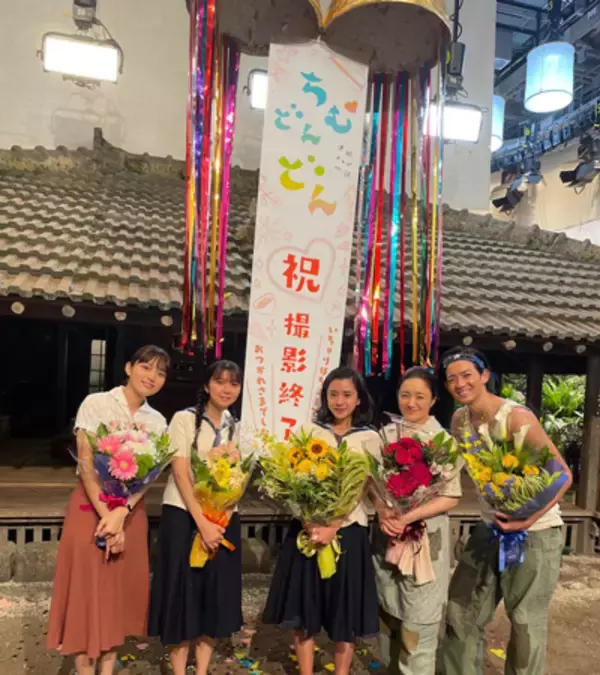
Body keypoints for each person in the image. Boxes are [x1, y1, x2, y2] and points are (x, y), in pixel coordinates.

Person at [440, 346, 573, 675]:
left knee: (526, 622)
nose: (460, 383)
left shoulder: (515, 418)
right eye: (452, 378)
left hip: (535, 533)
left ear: (484, 376)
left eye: (467, 375)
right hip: (490, 527)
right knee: (461, 610)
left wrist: (526, 518)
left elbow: (561, 475)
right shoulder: (459, 421)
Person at [47, 345, 170, 675]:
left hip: (130, 514)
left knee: (117, 595)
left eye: (160, 373)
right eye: (146, 367)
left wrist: (122, 511)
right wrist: (108, 514)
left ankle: (107, 669)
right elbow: (86, 463)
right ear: (129, 368)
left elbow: (149, 479)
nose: (152, 376)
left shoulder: (157, 421)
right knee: (85, 592)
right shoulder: (96, 403)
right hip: (90, 507)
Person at [262, 366, 380, 675]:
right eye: (333, 394)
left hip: (349, 531)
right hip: (308, 530)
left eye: (347, 395)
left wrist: (334, 525)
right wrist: (309, 523)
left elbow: (365, 487)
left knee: (346, 609)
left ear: (359, 399)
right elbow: (292, 479)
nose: (340, 401)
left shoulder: (370, 438)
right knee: (304, 607)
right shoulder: (309, 433)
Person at [149, 360, 243, 675]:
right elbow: (179, 472)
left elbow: (239, 479)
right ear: (206, 385)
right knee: (181, 595)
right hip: (184, 516)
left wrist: (221, 518)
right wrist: (203, 523)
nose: (226, 389)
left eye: (233, 383)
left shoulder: (237, 427)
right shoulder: (185, 419)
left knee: (211, 598)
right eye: (219, 381)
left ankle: (201, 670)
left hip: (222, 521)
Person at [373, 367, 462, 675]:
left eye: (420, 397)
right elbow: (371, 483)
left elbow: (451, 496)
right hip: (389, 534)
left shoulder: (442, 441)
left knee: (419, 622)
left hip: (425, 539)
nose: (411, 403)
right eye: (405, 395)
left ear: (433, 400)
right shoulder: (386, 435)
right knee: (389, 612)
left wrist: (409, 516)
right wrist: (383, 510)